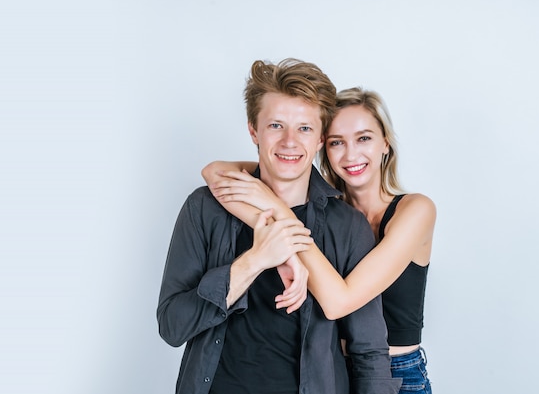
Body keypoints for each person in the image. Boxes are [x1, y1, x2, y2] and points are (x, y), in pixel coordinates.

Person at [157, 59, 401, 394]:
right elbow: (172, 326)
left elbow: (368, 352)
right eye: (275, 125)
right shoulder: (204, 208)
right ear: (253, 130)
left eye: (304, 128)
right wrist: (255, 260)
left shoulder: (348, 227)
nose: (289, 142)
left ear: (320, 139)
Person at [203, 87, 436, 394]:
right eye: (338, 142)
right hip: (330, 370)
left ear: (385, 143)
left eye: (364, 138)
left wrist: (277, 214)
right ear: (322, 146)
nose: (351, 154)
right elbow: (215, 172)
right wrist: (276, 233)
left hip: (395, 375)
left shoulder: (416, 210)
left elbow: (338, 301)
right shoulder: (332, 215)